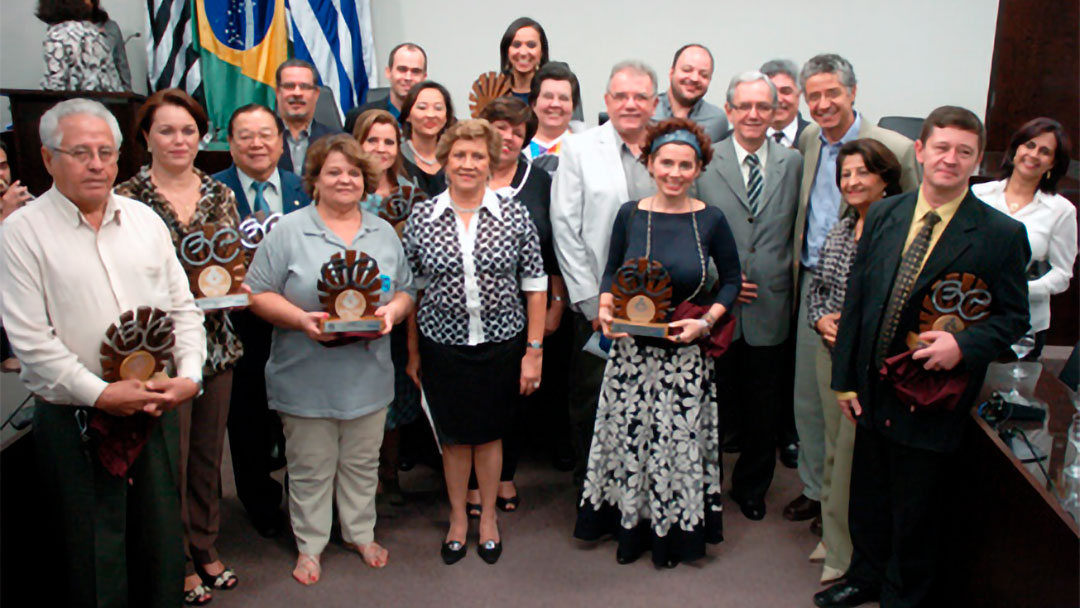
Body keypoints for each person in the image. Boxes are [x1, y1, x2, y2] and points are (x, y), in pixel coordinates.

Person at [816, 106, 1030, 608]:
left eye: (964, 152)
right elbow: (857, 302)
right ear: (920, 150)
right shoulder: (887, 213)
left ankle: (901, 595)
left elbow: (1012, 319)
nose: (950, 160)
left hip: (932, 392)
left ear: (978, 161)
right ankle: (863, 576)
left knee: (915, 508)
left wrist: (965, 345)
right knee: (868, 495)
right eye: (941, 148)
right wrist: (846, 380)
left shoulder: (999, 235)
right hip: (872, 385)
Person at [2, 98, 205, 607]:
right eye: (80, 152)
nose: (96, 164)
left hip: (156, 406)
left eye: (106, 152)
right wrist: (101, 393)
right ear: (48, 159)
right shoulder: (21, 234)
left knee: (160, 542)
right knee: (94, 551)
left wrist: (191, 375)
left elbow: (183, 307)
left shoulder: (143, 221)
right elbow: (31, 341)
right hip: (77, 418)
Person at [245, 134, 415, 585]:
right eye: (333, 172)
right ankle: (311, 546)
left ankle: (360, 532)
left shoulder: (382, 232)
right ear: (315, 180)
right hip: (305, 377)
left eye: (354, 173)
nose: (345, 180)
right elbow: (256, 293)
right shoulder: (288, 231)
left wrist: (392, 313)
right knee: (310, 465)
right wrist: (301, 319)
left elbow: (406, 291)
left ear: (366, 180)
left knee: (363, 461)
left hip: (368, 375)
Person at [574, 117, 741, 567]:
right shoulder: (631, 213)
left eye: (685, 164)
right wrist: (606, 306)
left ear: (698, 168)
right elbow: (611, 270)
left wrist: (706, 323)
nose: (674, 172)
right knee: (632, 441)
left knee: (676, 446)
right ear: (650, 163)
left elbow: (732, 281)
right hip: (631, 355)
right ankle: (629, 527)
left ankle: (675, 536)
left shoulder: (712, 219)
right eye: (666, 162)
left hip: (684, 356)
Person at [115, 88, 243, 606]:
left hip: (217, 344)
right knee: (169, 459)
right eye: (166, 130)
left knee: (208, 458)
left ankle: (205, 544)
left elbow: (231, 264)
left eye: (188, 130)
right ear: (145, 136)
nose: (178, 139)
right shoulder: (126, 197)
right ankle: (178, 561)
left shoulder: (219, 193)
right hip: (157, 350)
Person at [786, 54, 921, 534]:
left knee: (854, 407)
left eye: (832, 93)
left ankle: (845, 500)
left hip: (870, 300)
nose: (823, 104)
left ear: (853, 92)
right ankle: (815, 491)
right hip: (814, 286)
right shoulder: (807, 139)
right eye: (814, 95)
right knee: (809, 399)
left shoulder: (895, 147)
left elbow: (913, 223)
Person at [403, 119, 547, 565]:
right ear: (445, 161)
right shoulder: (423, 217)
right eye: (459, 155)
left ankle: (486, 518)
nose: (468, 164)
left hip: (502, 342)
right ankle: (457, 519)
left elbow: (536, 284)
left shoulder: (514, 214)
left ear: (491, 161)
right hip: (441, 344)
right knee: (454, 439)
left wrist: (534, 352)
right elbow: (412, 288)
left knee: (488, 436)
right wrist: (412, 353)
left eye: (477, 156)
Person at [695, 71, 802, 521]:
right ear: (731, 110)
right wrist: (726, 278)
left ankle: (753, 486)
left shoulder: (794, 162)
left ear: (775, 111)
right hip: (719, 302)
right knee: (714, 403)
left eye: (764, 106)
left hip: (771, 302)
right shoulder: (705, 160)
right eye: (745, 106)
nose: (754, 114)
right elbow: (694, 229)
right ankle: (707, 486)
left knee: (763, 405)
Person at [551, 60, 659, 489]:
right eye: (621, 96)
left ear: (654, 102)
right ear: (606, 100)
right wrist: (594, 303)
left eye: (640, 97)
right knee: (594, 402)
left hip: (660, 308)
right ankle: (591, 491)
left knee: (651, 402)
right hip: (599, 307)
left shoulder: (670, 147)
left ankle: (645, 492)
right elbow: (565, 226)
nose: (630, 104)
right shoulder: (579, 149)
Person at [459, 97, 568, 511]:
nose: (506, 137)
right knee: (471, 398)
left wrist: (557, 300)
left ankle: (505, 476)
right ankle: (469, 482)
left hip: (526, 309)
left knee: (515, 397)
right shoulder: (464, 174)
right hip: (463, 312)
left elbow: (552, 245)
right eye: (498, 127)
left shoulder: (540, 183)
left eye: (517, 131)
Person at [213, 103, 312, 539]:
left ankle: (304, 498)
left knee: (299, 416)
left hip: (296, 320)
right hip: (239, 326)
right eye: (246, 136)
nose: (257, 144)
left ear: (280, 140)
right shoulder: (211, 193)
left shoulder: (303, 189)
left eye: (266, 135)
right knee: (248, 416)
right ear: (230, 143)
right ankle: (259, 500)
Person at [806, 139, 902, 585]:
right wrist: (821, 318)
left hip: (864, 362)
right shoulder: (842, 227)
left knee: (848, 456)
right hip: (829, 351)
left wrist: (851, 333)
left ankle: (844, 553)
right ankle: (830, 532)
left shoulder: (896, 231)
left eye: (863, 172)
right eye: (845, 174)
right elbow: (819, 287)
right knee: (829, 449)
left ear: (885, 177)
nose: (853, 182)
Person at [352, 108, 424, 505]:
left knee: (394, 398)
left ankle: (389, 473)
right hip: (348, 314)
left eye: (388, 141)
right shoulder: (345, 190)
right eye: (371, 140)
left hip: (400, 313)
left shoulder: (411, 195)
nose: (380, 149)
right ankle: (360, 481)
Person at [972, 117, 1077, 361]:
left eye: (1045, 151)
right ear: (1016, 150)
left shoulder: (1062, 210)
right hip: (973, 312)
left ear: (1053, 163)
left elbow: (1062, 275)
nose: (1033, 155)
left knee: (1009, 393)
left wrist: (1021, 290)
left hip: (1023, 324)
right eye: (1029, 145)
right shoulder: (979, 195)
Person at [274, 59, 343, 175]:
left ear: (316, 94)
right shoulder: (260, 141)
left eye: (304, 87)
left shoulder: (339, 141)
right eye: (289, 86)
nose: (297, 93)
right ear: (277, 93)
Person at [37, 0, 123, 92]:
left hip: (76, 103)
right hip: (107, 102)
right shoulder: (94, 32)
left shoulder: (57, 36)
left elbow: (54, 86)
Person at [344, 43, 428, 133]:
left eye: (415, 71)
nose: (408, 77)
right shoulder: (359, 118)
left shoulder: (434, 120)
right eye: (402, 69)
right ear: (388, 72)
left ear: (424, 77)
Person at [653, 44, 728, 141]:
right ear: (672, 73)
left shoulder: (717, 121)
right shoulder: (647, 111)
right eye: (687, 70)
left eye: (703, 75)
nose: (694, 78)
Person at [525, 61, 585, 175]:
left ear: (574, 106)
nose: (555, 104)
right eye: (548, 97)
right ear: (533, 103)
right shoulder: (517, 148)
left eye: (563, 98)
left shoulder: (587, 149)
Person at [399, 81, 456, 197]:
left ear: (446, 116)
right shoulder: (396, 157)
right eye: (422, 107)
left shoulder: (456, 157)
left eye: (438, 108)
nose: (430, 114)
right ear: (408, 115)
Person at [760, 59, 810, 149]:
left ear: (798, 94)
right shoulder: (743, 139)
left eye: (786, 91)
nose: (778, 99)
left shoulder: (817, 138)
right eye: (771, 92)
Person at [500, 17, 549, 104]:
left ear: (542, 52)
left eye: (531, 45)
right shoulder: (492, 94)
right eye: (516, 45)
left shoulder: (555, 93)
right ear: (506, 51)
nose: (523, 52)